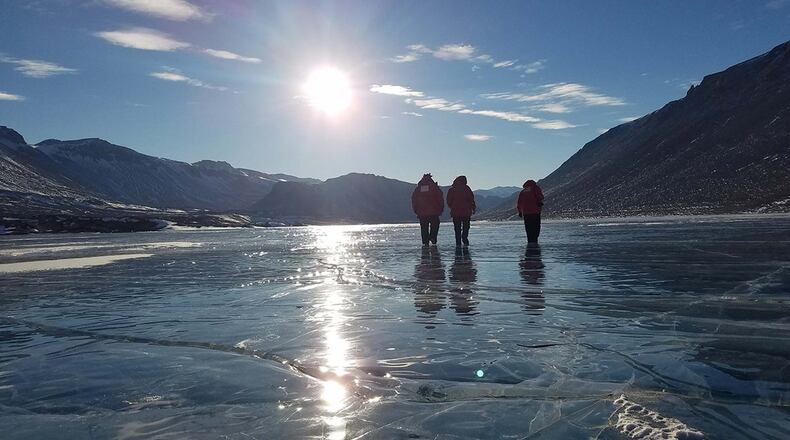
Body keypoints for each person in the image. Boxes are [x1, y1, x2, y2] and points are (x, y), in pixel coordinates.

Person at [411, 173, 444, 246]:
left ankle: (425, 242)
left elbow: (414, 199)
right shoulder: (434, 187)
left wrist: (416, 210)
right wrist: (441, 209)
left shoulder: (418, 188)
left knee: (424, 228)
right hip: (434, 212)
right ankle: (433, 237)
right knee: (435, 225)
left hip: (422, 213)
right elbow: (440, 198)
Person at [446, 175, 476, 247]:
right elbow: (471, 199)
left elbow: (448, 201)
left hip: (455, 212)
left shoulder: (452, 189)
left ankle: (458, 242)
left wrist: (452, 207)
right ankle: (464, 238)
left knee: (457, 228)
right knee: (466, 227)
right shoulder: (467, 188)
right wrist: (473, 208)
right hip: (466, 212)